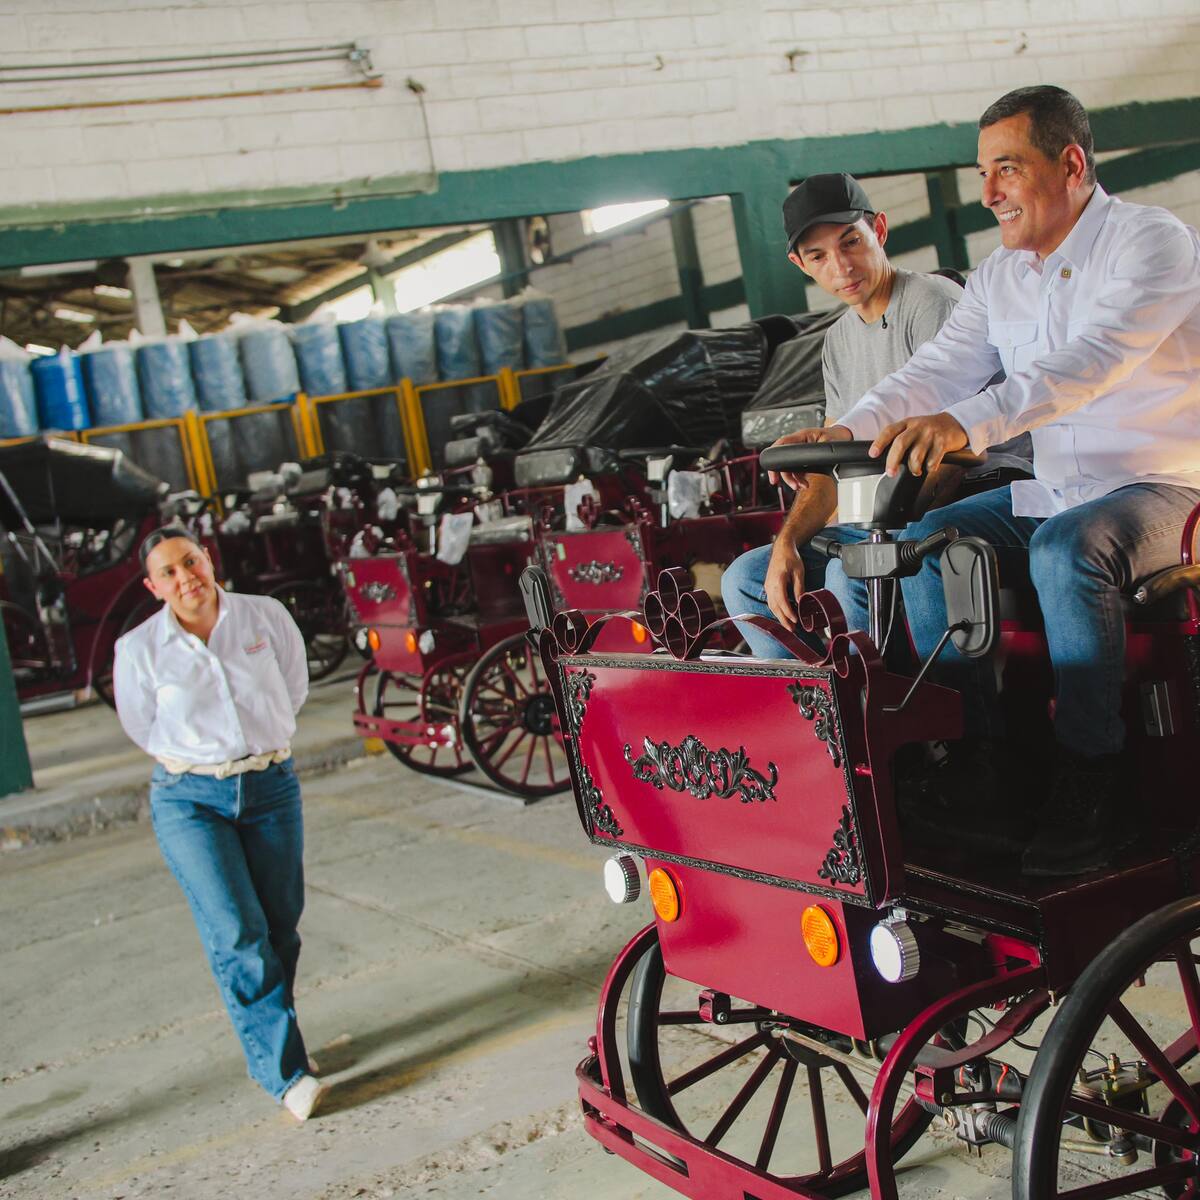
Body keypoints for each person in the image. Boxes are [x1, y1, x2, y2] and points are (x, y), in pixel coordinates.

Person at [788, 85, 1200, 877]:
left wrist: (970, 423)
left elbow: (1090, 363)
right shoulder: (999, 277)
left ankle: (1095, 780)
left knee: (1064, 551)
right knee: (931, 541)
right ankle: (983, 763)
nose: (988, 194)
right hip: (1060, 488)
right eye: (985, 173)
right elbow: (935, 371)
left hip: (1166, 487)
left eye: (1006, 169)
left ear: (1071, 164)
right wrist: (847, 431)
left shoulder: (1152, 244)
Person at [113, 526, 325, 1120]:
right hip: (190, 800)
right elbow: (143, 726)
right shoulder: (139, 651)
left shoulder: (265, 617)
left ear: (209, 560)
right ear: (154, 587)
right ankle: (284, 1074)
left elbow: (294, 689)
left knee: (281, 928)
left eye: (192, 561)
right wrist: (206, 761)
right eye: (170, 573)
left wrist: (256, 747)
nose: (186, 578)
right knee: (238, 933)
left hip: (270, 786)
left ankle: (278, 1044)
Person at [722, 172, 965, 656]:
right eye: (818, 256)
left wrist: (865, 536)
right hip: (875, 516)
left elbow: (956, 449)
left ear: (879, 228)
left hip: (947, 500)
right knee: (747, 579)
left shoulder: (932, 304)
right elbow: (834, 468)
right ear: (800, 263)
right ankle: (822, 714)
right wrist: (789, 542)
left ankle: (887, 711)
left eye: (851, 241)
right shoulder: (837, 342)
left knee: (846, 566)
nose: (841, 265)